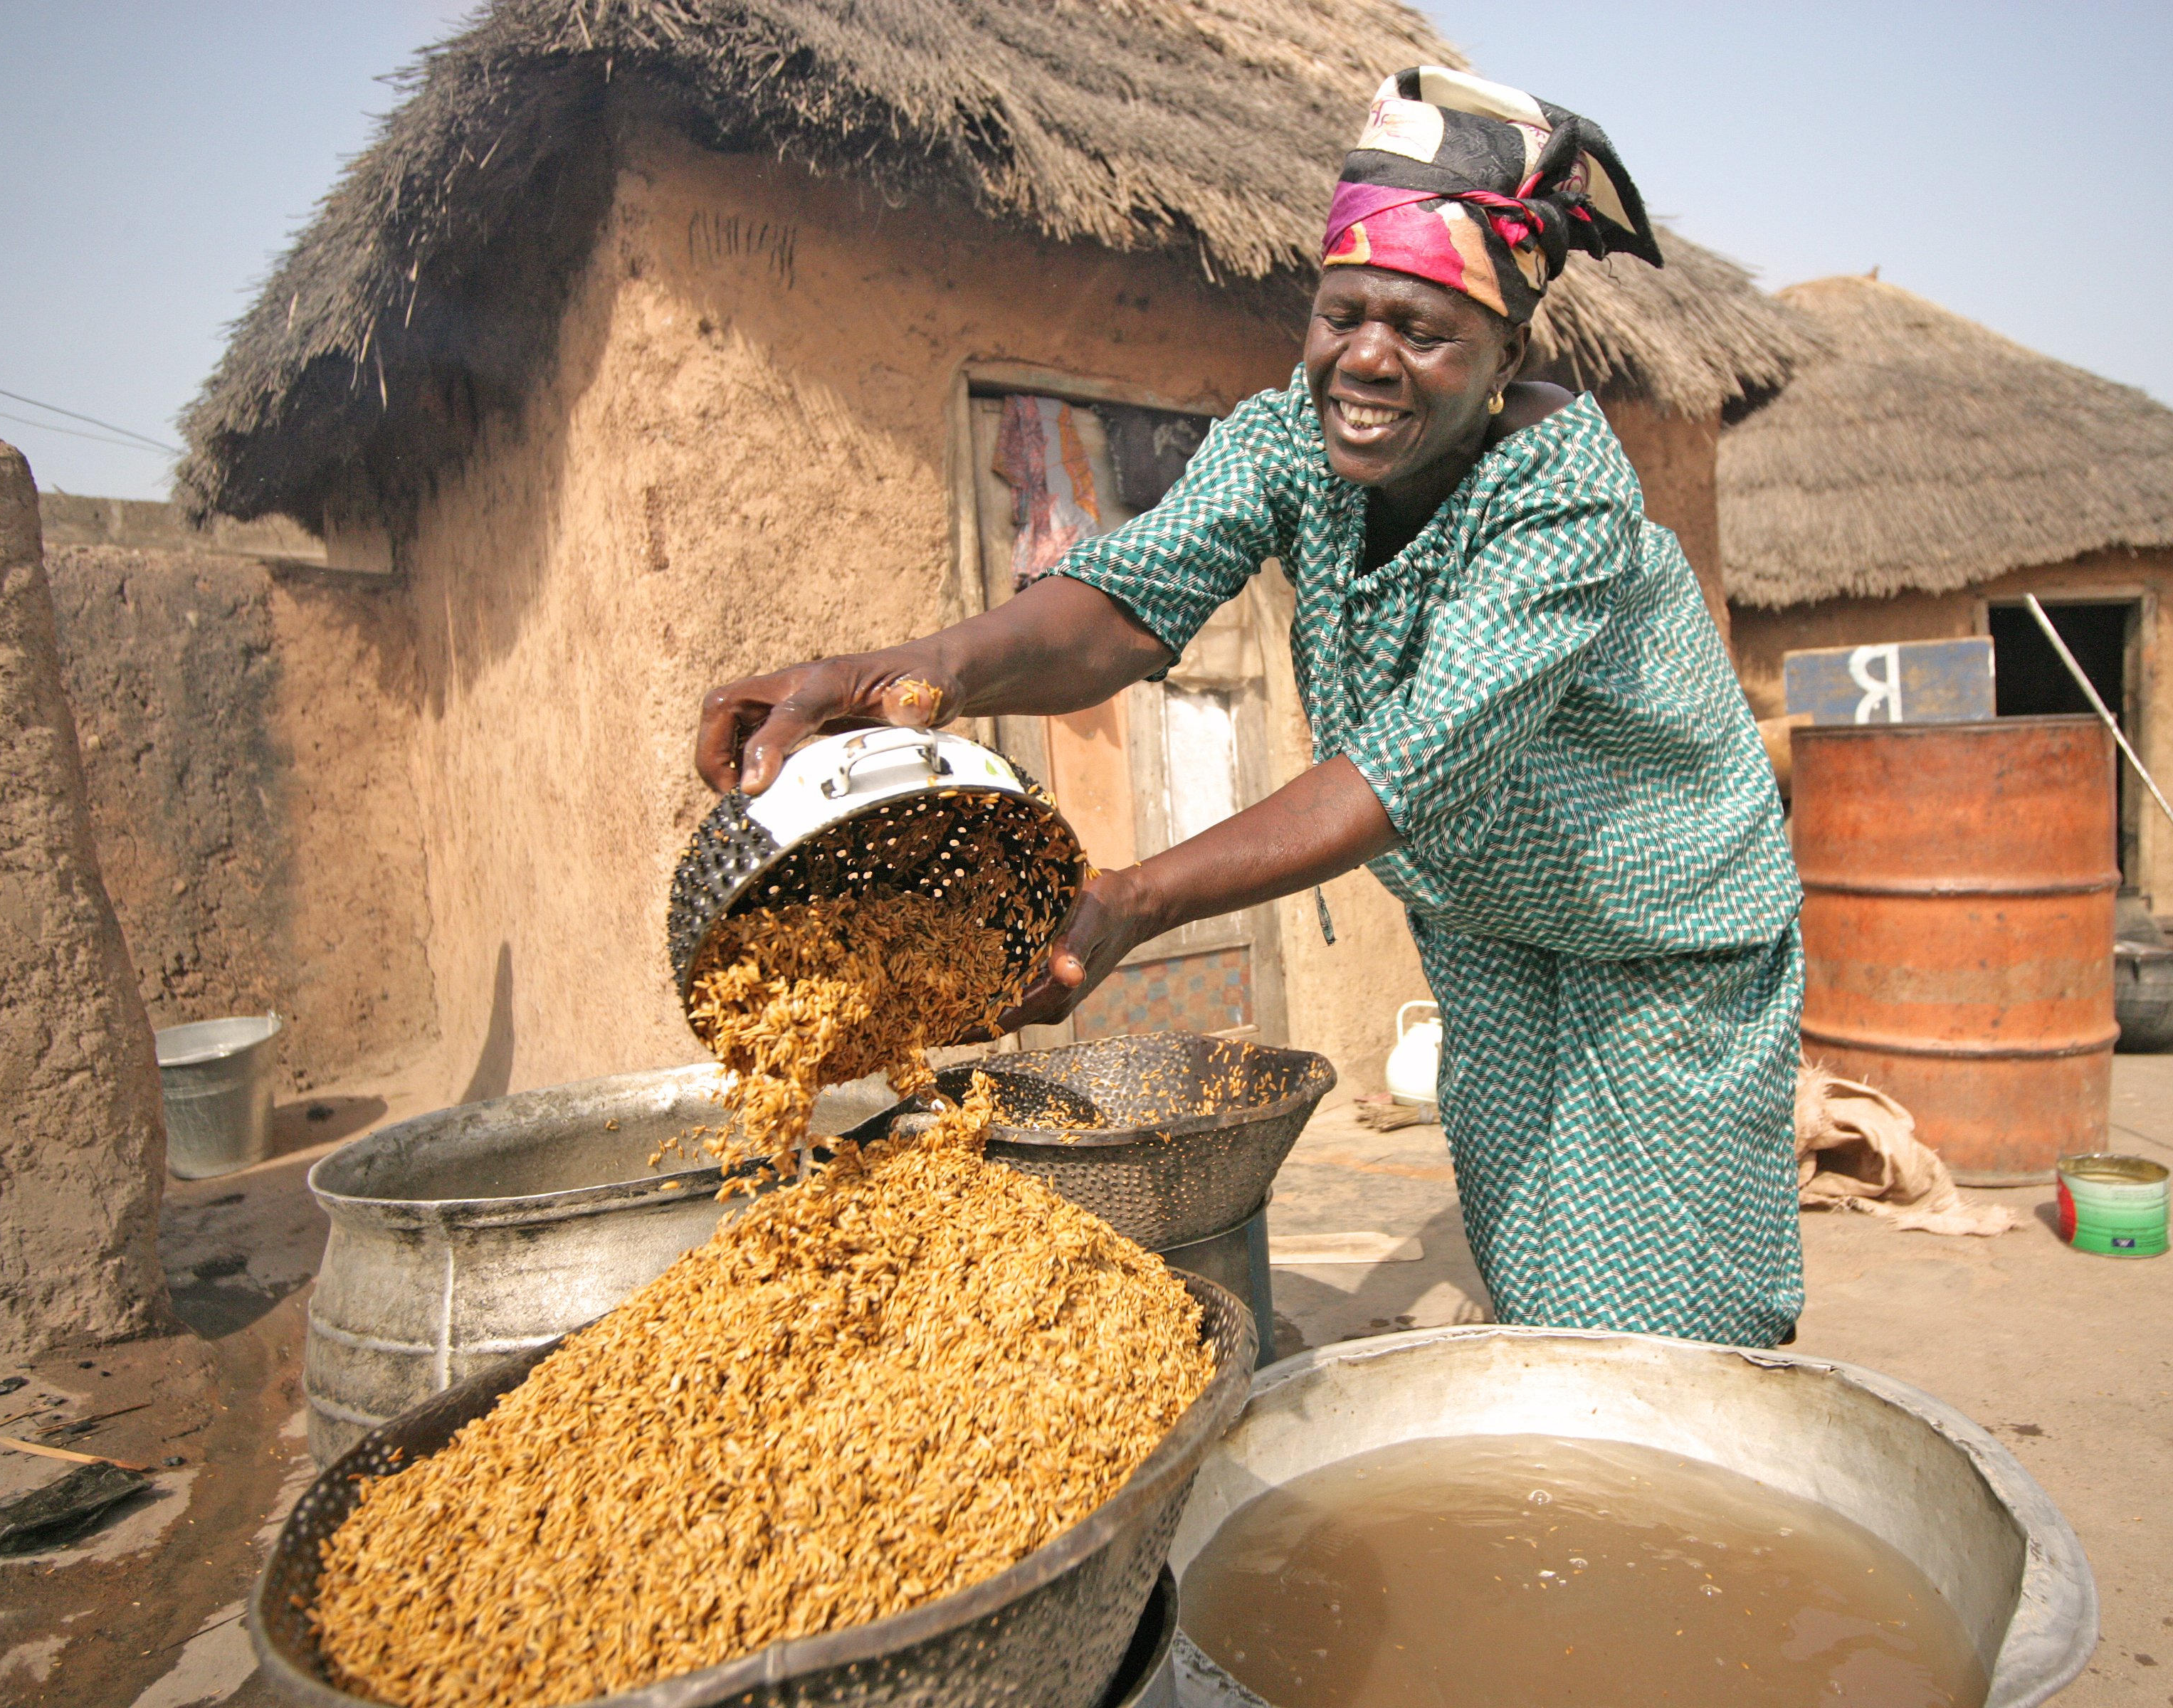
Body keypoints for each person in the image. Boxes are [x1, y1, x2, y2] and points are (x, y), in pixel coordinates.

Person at [695, 68, 1804, 1348]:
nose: (1368, 361)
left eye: (1427, 332)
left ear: (1509, 353)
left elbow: (1405, 770)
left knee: (1674, 1321)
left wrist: (1130, 898)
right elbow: (1122, 604)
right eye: (1345, 314)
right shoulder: (1290, 439)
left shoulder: (1565, 506)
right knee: (1546, 1282)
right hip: (1497, 925)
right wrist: (893, 674)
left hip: (1661, 927)